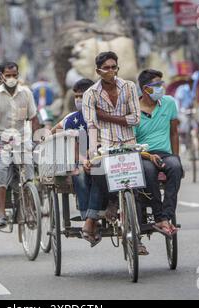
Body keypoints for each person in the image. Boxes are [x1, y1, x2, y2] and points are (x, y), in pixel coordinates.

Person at [81, 51, 141, 246]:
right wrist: (90, 155)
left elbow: (136, 119)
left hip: (129, 144)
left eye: (113, 67)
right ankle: (92, 218)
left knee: (140, 182)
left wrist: (106, 117)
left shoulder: (129, 87)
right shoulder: (90, 94)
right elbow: (91, 125)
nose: (110, 71)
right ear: (98, 70)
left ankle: (136, 229)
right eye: (106, 68)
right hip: (104, 146)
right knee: (98, 172)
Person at [0, 62, 40, 228]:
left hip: (22, 139)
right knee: (0, 166)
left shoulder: (26, 93)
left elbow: (34, 118)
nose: (11, 78)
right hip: (0, 139)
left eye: (14, 75)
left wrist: (36, 140)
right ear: (1, 76)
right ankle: (1, 212)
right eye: (8, 75)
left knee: (29, 168)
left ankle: (29, 207)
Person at [135, 69, 182, 237]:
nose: (161, 88)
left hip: (165, 153)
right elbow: (131, 142)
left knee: (176, 167)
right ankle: (158, 216)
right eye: (156, 85)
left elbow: (174, 132)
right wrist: (146, 155)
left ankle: (166, 216)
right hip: (142, 155)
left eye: (161, 84)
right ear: (145, 88)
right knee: (148, 171)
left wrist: (176, 155)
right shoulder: (133, 110)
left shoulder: (168, 102)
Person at [52, 78, 95, 220]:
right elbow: (55, 133)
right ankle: (86, 216)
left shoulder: (102, 114)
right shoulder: (71, 119)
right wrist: (84, 161)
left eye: (82, 96)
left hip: (100, 156)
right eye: (76, 96)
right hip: (79, 159)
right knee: (80, 174)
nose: (78, 100)